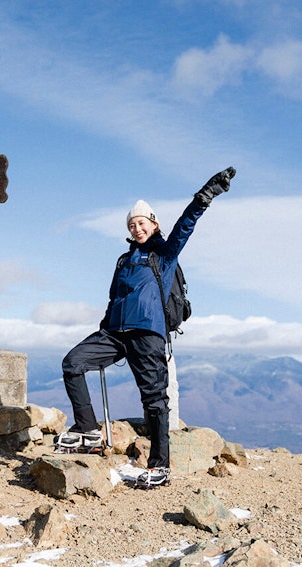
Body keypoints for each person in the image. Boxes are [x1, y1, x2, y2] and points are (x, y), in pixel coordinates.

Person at [55, 167, 236, 488]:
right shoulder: (124, 261)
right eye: (132, 224)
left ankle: (159, 465)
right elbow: (114, 298)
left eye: (142, 223)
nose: (137, 228)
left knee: (154, 399)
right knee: (72, 363)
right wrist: (105, 327)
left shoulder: (163, 254)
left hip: (148, 334)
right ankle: (87, 429)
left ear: (154, 224)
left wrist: (205, 196)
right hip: (114, 334)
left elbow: (185, 226)